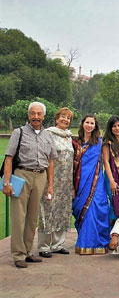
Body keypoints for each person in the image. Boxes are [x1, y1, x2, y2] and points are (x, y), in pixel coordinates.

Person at [2, 102, 57, 268]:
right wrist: (6, 182)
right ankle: (18, 255)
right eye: (33, 113)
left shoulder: (47, 136)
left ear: (44, 116)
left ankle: (27, 251)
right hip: (22, 175)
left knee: (33, 218)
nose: (36, 117)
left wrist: (50, 185)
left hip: (40, 176)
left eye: (39, 114)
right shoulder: (18, 133)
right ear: (29, 115)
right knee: (19, 217)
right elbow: (9, 158)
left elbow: (51, 161)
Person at [37, 107, 74, 258]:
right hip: (51, 179)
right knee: (48, 210)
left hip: (66, 181)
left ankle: (58, 244)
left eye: (68, 118)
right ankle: (44, 245)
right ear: (57, 118)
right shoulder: (49, 134)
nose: (65, 120)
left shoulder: (69, 137)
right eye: (63, 117)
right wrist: (49, 181)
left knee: (63, 211)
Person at [72, 114, 110, 255]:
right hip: (79, 182)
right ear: (82, 124)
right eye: (87, 122)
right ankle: (85, 242)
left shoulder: (100, 143)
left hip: (96, 182)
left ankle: (98, 242)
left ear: (95, 126)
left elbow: (108, 160)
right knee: (83, 210)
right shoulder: (75, 143)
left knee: (98, 208)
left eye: (92, 123)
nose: (89, 125)